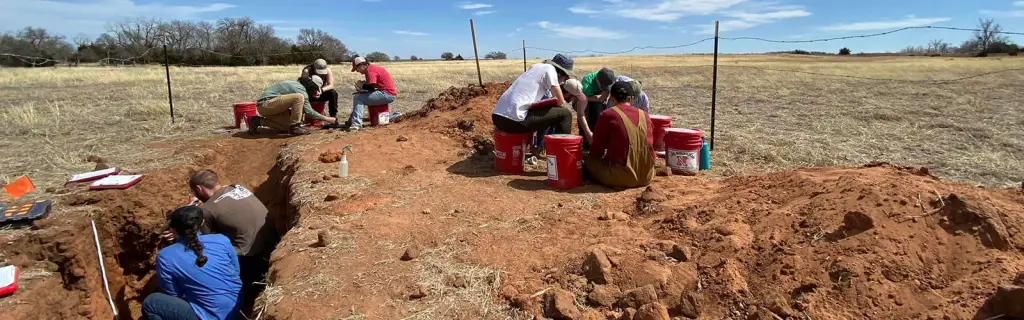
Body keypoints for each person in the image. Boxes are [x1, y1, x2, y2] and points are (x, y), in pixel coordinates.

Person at [187, 170, 277, 313]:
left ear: (199, 189)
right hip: (273, 241)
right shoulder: (238, 187)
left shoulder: (207, 210)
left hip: (250, 255)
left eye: (195, 191)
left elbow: (210, 243)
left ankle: (240, 299)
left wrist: (190, 213)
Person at [145, 206, 242, 320]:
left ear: (173, 230)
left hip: (211, 316)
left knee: (151, 303)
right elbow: (236, 271)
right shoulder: (221, 240)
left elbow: (174, 295)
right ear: (202, 223)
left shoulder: (165, 256)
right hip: (236, 306)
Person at [492, 53, 576, 156]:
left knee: (551, 112)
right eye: (565, 78)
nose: (563, 81)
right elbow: (560, 102)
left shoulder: (535, 67)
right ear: (561, 73)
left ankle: (541, 148)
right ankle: (562, 156)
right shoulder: (550, 70)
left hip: (497, 117)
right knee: (565, 114)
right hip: (513, 121)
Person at [579, 80, 655, 189]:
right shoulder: (645, 115)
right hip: (647, 176)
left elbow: (597, 149)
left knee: (587, 160)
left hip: (621, 177)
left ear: (612, 99)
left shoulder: (607, 115)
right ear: (631, 99)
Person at [251, 76, 340, 136]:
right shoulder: (300, 90)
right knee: (298, 97)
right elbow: (309, 111)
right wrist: (328, 119)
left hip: (269, 107)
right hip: (265, 104)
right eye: (316, 89)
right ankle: (295, 127)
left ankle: (257, 121)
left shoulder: (297, 84)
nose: (316, 92)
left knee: (286, 126)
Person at [348, 56, 398, 131]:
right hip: (388, 93)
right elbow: (372, 87)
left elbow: (371, 87)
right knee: (378, 122)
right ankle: (395, 116)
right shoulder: (372, 68)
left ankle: (356, 124)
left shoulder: (370, 71)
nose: (357, 71)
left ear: (361, 65)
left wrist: (362, 86)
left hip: (386, 94)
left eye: (356, 69)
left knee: (358, 98)